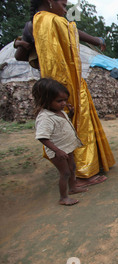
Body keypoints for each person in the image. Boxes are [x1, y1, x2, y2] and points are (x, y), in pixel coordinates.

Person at [31, 0, 115, 188]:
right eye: (63, 4)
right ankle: (81, 175)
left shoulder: (40, 22)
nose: (65, 10)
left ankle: (78, 174)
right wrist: (65, 95)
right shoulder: (50, 22)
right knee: (73, 132)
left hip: (62, 88)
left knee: (70, 133)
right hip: (66, 88)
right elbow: (59, 61)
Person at [33, 78, 87, 206]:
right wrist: (57, 150)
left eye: (64, 100)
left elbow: (63, 125)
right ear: (45, 100)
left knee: (72, 167)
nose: (63, 103)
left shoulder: (59, 111)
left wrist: (72, 114)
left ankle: (73, 188)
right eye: (59, 101)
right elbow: (42, 137)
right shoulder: (45, 117)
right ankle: (63, 197)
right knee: (65, 172)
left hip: (67, 147)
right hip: (58, 151)